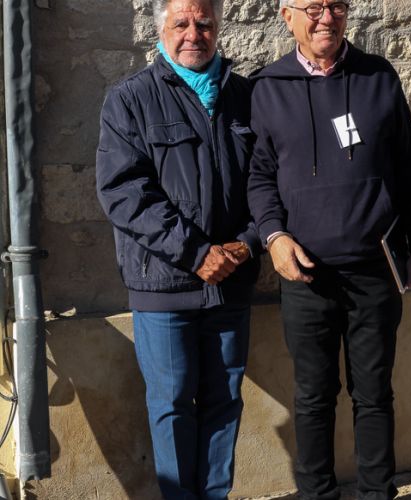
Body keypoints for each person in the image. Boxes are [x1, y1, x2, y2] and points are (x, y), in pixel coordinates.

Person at [248, 1, 411, 499]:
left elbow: (409, 165)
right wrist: (274, 237)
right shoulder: (267, 87)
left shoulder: (378, 77)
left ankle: (377, 493)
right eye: (313, 7)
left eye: (336, 5)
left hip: (376, 270)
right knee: (313, 397)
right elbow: (259, 176)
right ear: (287, 16)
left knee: (374, 395)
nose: (326, 17)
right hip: (306, 274)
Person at [96, 0, 260, 498]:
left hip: (230, 282)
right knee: (171, 405)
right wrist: (195, 253)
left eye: (204, 23)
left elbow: (269, 183)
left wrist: (248, 244)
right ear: (161, 29)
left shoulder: (244, 96)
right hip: (163, 284)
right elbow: (124, 193)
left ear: (218, 28)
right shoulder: (130, 99)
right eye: (181, 23)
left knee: (224, 401)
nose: (194, 34)